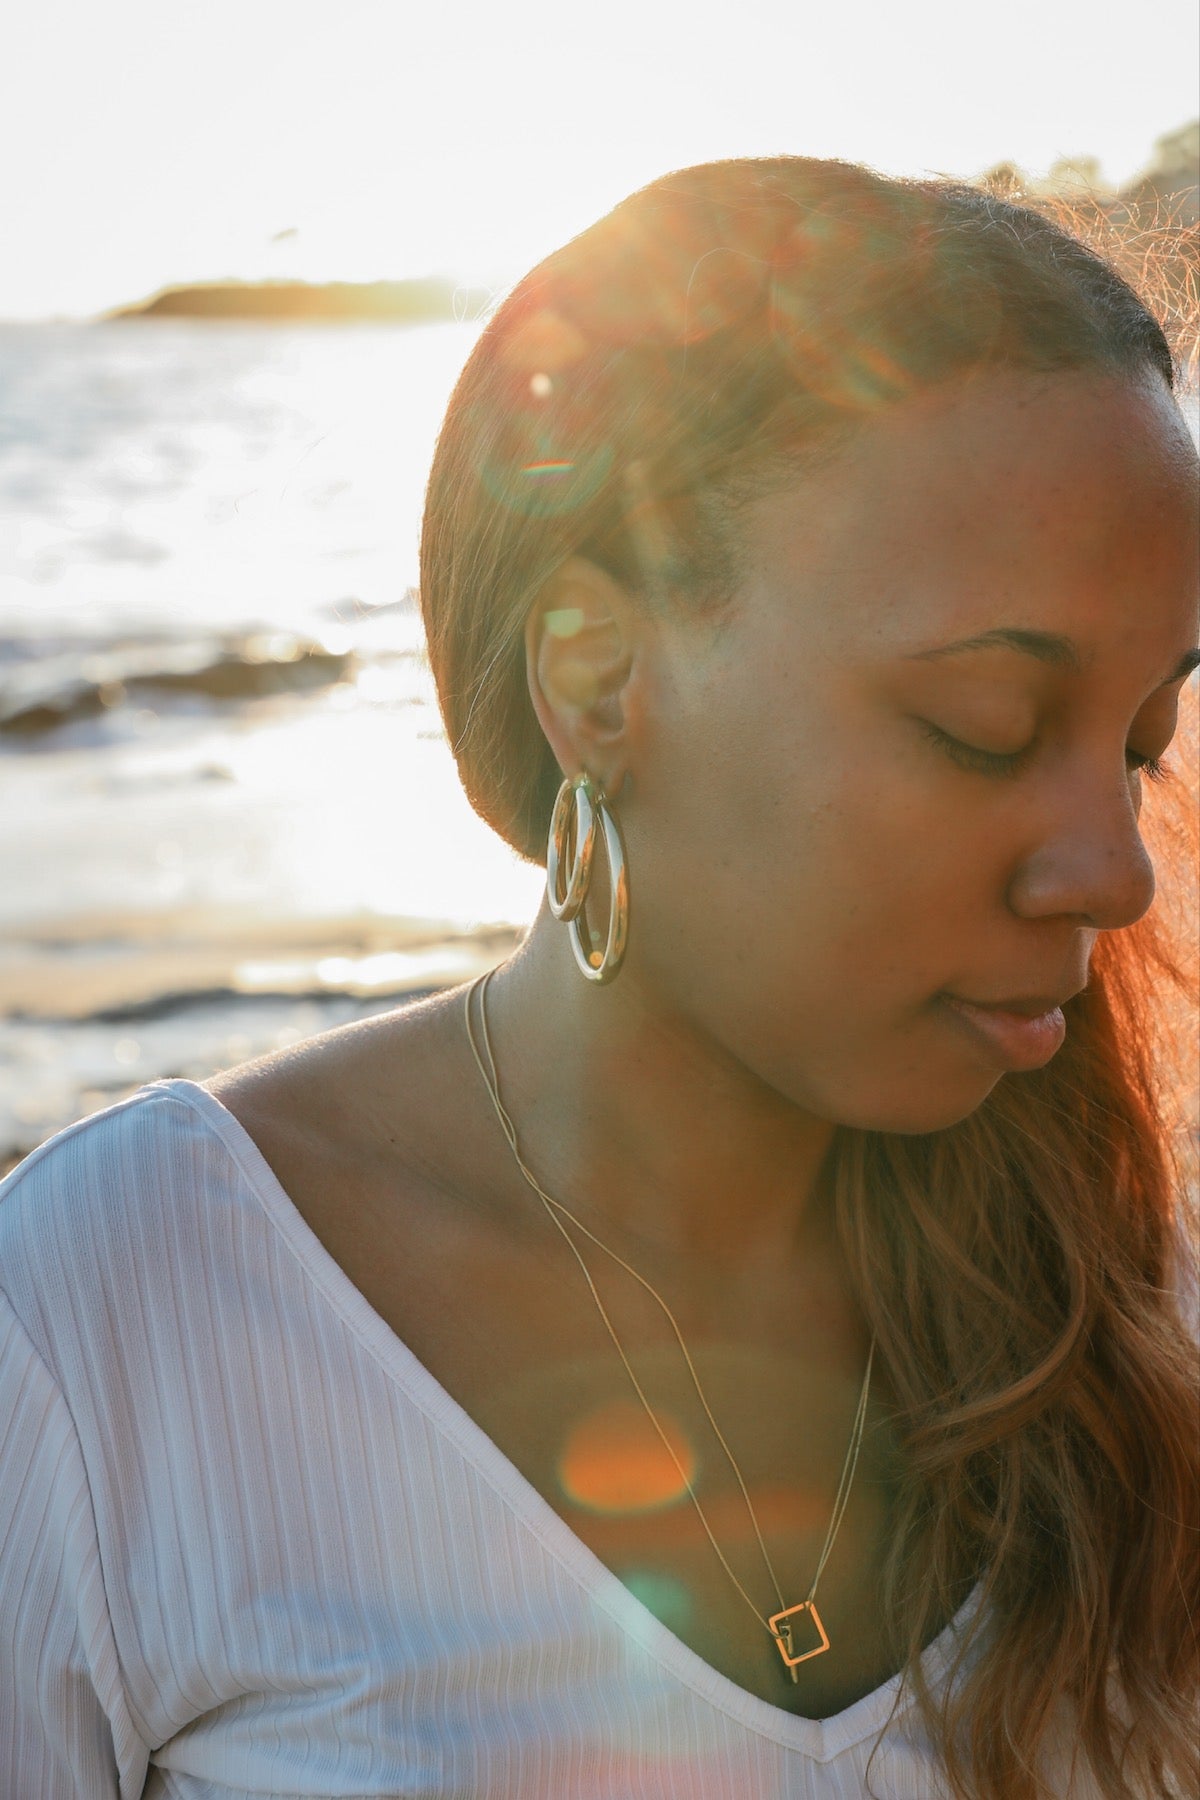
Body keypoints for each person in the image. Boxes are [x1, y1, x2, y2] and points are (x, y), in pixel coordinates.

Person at [1, 158, 1197, 1800]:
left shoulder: (1141, 1321)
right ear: (597, 681)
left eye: (1142, 741)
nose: (1114, 868)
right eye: (984, 727)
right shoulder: (105, 1330)